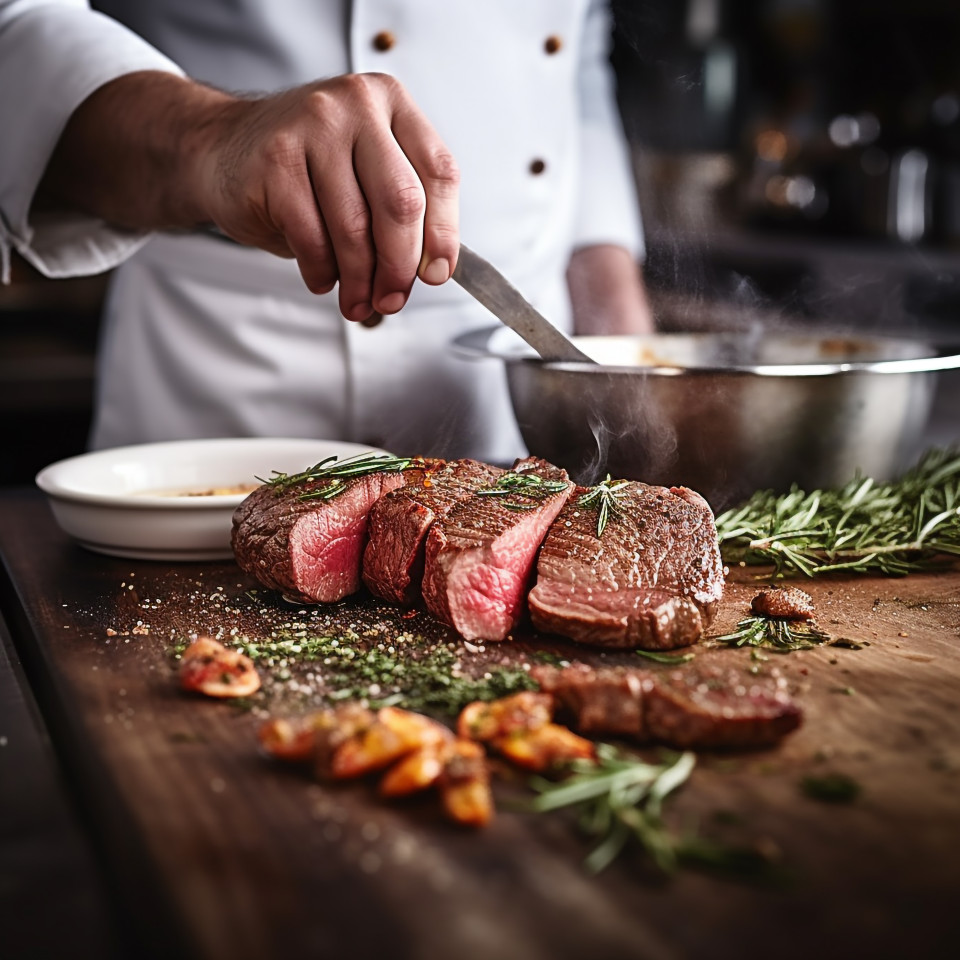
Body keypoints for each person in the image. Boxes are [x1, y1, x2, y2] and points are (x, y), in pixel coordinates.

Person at [0, 0, 653, 462]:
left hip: (510, 383)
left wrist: (611, 303)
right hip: (227, 360)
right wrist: (212, 138)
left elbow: (576, 52)